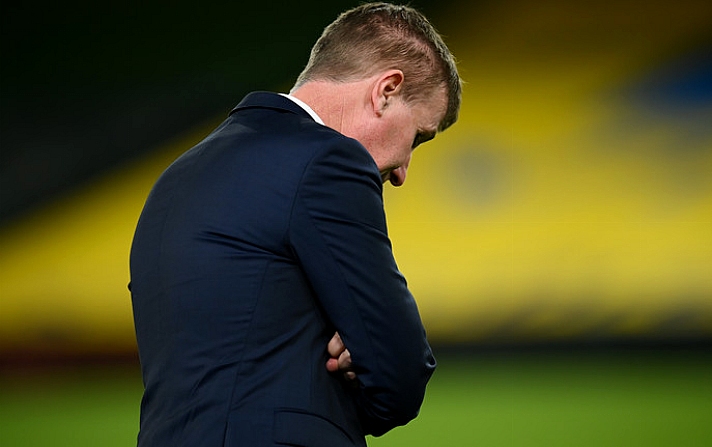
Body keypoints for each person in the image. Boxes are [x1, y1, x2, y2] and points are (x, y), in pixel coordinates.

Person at [128, 2, 462, 446]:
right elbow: (399, 374)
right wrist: (359, 355)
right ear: (386, 90)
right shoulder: (329, 159)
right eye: (418, 136)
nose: (402, 171)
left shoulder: (176, 178)